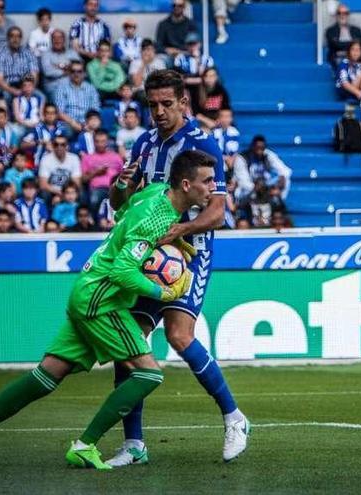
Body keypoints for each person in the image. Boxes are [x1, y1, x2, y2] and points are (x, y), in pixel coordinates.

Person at [0, 150, 206, 470]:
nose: (213, 187)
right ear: (187, 184)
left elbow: (121, 210)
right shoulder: (157, 214)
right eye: (207, 181)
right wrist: (162, 290)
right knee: (148, 373)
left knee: (46, 375)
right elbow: (122, 271)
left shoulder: (154, 194)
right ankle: (85, 445)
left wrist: (169, 242)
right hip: (101, 300)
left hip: (87, 288)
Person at [107, 70, 247, 465]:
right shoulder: (144, 144)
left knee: (180, 337)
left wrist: (180, 230)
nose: (159, 112)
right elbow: (120, 203)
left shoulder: (205, 147)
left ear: (184, 103)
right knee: (129, 342)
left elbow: (218, 213)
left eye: (167, 104)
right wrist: (120, 184)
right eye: (152, 105)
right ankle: (134, 444)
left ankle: (234, 417)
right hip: (151, 255)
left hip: (190, 251)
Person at [54, 60, 101, 134]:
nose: (76, 74)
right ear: (69, 73)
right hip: (69, 123)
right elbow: (60, 112)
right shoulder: (61, 88)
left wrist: (88, 124)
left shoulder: (91, 88)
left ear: (84, 73)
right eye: (73, 71)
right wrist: (73, 123)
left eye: (79, 71)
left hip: (88, 122)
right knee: (66, 130)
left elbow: (95, 109)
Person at [0, 26, 39, 99]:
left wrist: (29, 89)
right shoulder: (0, 54)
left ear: (21, 39)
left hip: (25, 85)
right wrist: (12, 90)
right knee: (6, 96)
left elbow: (34, 74)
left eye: (18, 36)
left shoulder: (28, 53)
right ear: (7, 38)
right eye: (12, 36)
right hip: (7, 86)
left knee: (41, 97)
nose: (15, 39)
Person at [82, 130, 122, 210]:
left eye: (103, 141)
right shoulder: (87, 157)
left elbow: (123, 175)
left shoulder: (116, 157)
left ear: (107, 142)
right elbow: (83, 179)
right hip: (97, 188)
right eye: (97, 141)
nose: (100, 144)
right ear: (94, 142)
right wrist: (96, 172)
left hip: (114, 188)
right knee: (94, 200)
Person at [325, 3, 361, 69]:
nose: (342, 15)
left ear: (348, 15)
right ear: (336, 15)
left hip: (357, 57)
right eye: (339, 13)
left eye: (345, 13)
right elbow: (335, 45)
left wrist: (344, 44)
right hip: (339, 57)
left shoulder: (356, 30)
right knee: (346, 67)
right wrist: (353, 44)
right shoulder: (330, 31)